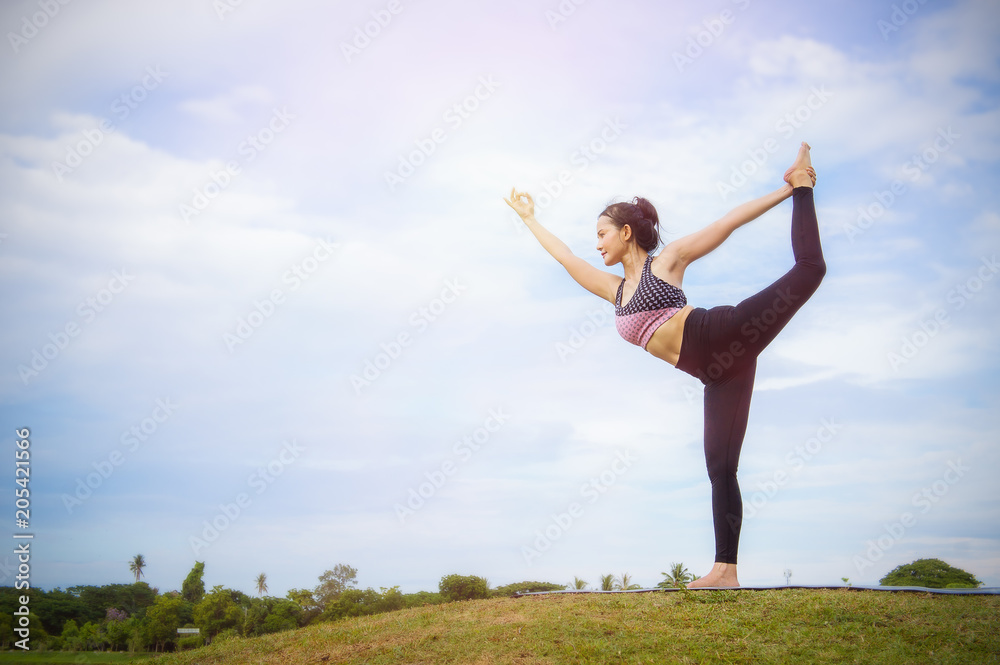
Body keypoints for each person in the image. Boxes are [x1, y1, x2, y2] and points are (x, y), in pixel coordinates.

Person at [504, 142, 825, 588]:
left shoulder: (667, 263)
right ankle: (725, 571)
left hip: (726, 332)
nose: (595, 244)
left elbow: (726, 222)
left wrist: (787, 191)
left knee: (810, 269)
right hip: (717, 375)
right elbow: (565, 258)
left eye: (602, 234)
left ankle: (805, 182)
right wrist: (529, 219)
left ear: (626, 234)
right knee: (721, 466)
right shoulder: (614, 291)